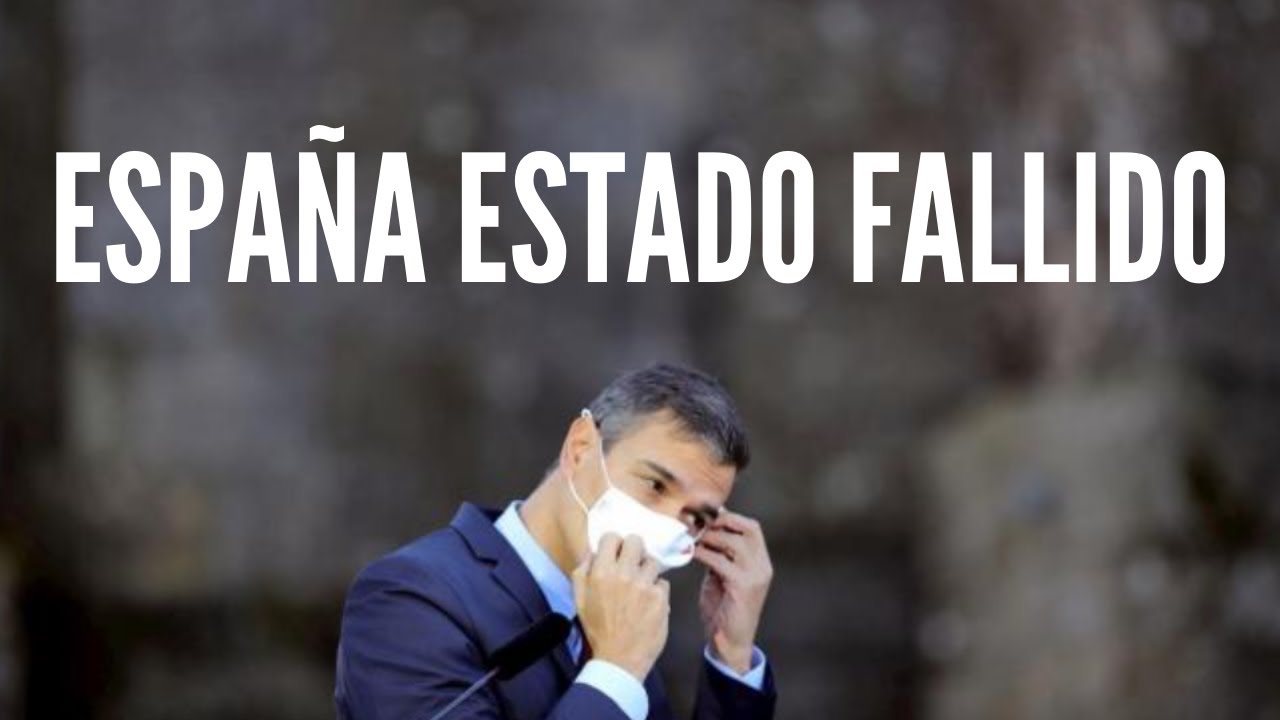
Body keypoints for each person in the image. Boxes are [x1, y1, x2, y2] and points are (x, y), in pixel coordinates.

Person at [335, 363, 777, 719]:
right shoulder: (410, 599)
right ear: (580, 448)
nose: (666, 522)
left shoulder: (627, 624)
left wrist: (731, 653)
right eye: (655, 485)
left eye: (695, 517)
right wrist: (615, 671)